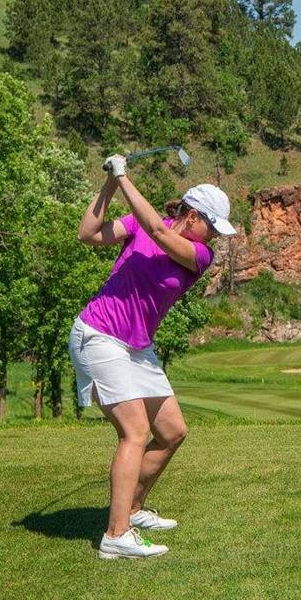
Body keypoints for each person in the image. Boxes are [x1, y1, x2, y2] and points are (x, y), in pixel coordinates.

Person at [68, 153, 237, 560]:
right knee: (135, 432)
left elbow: (159, 232)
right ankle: (116, 534)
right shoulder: (137, 228)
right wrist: (110, 183)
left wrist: (125, 177)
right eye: (211, 226)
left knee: (174, 430)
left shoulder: (199, 257)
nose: (213, 236)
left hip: (137, 347)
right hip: (100, 335)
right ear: (193, 215)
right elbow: (88, 233)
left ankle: (134, 508)